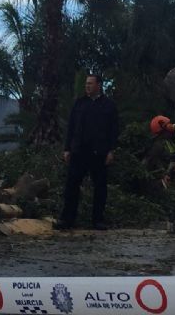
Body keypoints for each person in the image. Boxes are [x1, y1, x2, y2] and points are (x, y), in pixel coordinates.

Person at [54, 74, 118, 231]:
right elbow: (71, 127)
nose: (87, 86)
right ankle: (67, 219)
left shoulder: (109, 105)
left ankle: (98, 220)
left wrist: (111, 151)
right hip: (79, 152)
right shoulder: (79, 103)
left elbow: (114, 130)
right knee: (72, 186)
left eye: (90, 83)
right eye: (86, 84)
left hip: (99, 153)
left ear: (99, 85)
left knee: (100, 188)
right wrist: (67, 149)